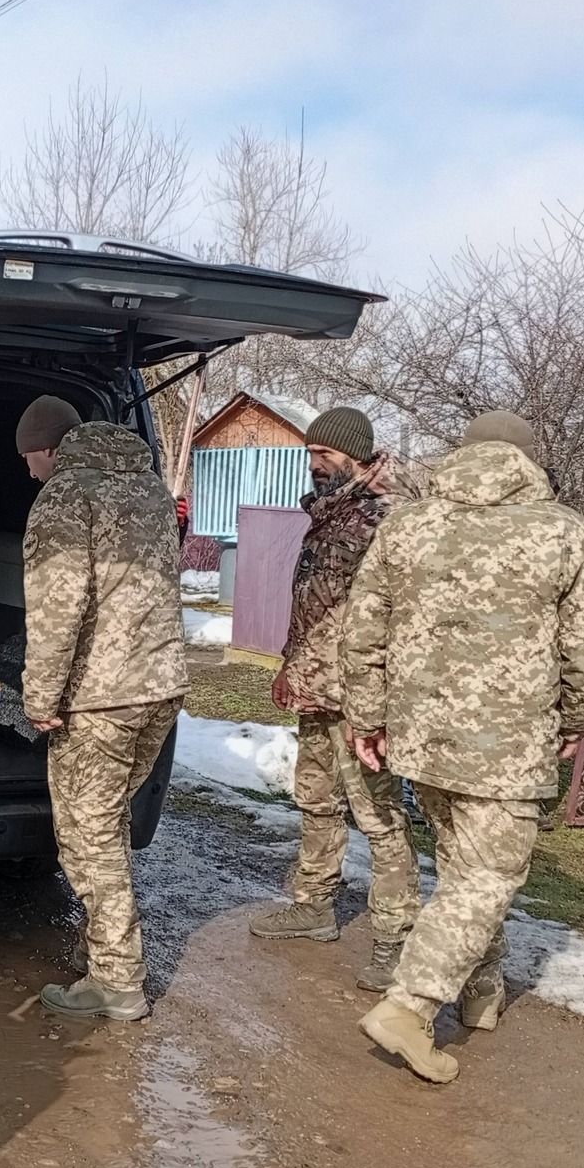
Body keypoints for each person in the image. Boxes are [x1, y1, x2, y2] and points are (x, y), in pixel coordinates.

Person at [341, 410, 584, 1084]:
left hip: (422, 736)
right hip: (509, 743)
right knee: (485, 877)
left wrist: (367, 717)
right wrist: (575, 721)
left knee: (464, 871)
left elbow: (363, 627)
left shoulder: (408, 524)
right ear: (529, 461)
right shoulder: (564, 531)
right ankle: (409, 1007)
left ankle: (483, 991)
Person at [18, 395, 187, 1023]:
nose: (29, 471)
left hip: (101, 697)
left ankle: (117, 979)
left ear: (48, 448)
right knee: (108, 823)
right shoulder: (148, 488)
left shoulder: (64, 496)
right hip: (160, 687)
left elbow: (58, 608)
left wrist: (40, 696)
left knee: (88, 838)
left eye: (29, 459)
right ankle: (109, 957)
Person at [248, 408, 421, 989]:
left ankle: (395, 937)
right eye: (310, 454)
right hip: (317, 688)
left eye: (324, 454)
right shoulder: (333, 511)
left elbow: (400, 619)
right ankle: (313, 906)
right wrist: (290, 666)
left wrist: (378, 703)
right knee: (316, 800)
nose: (314, 465)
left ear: (356, 453)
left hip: (362, 699)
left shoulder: (388, 517)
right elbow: (316, 603)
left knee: (379, 815)